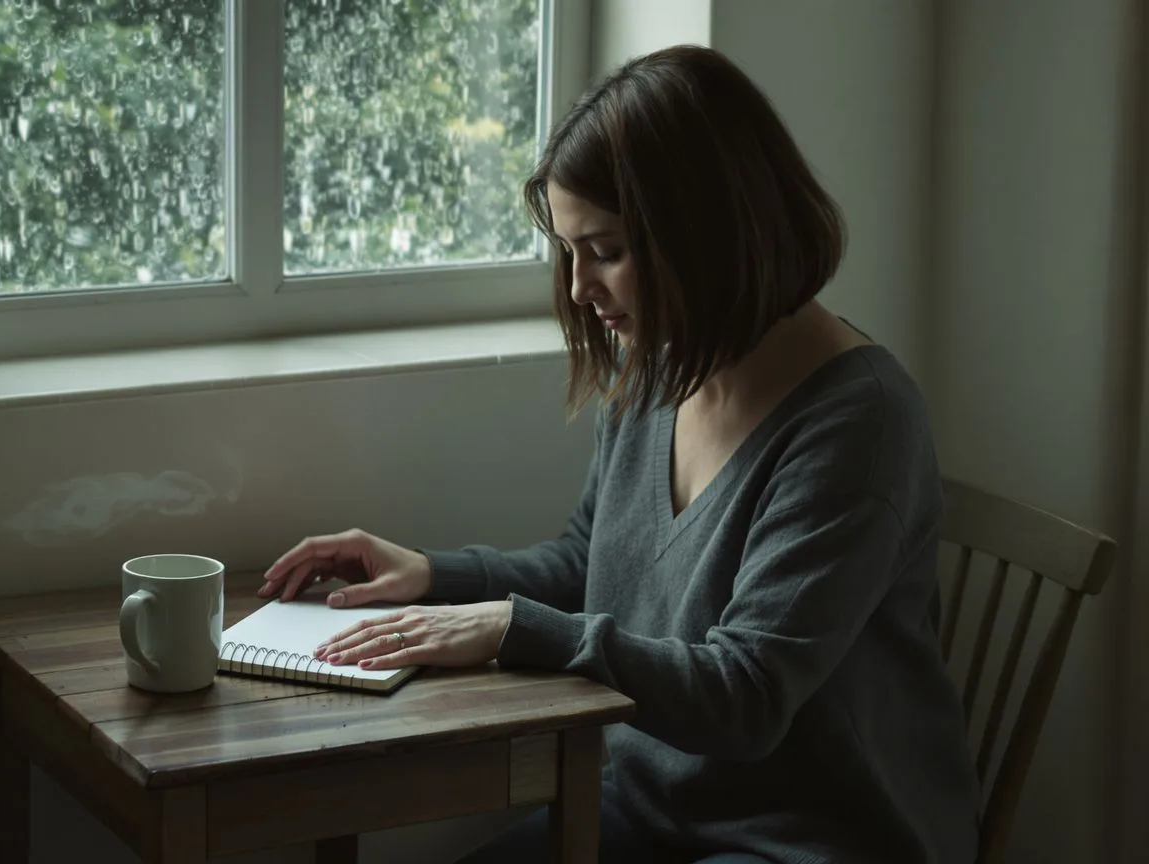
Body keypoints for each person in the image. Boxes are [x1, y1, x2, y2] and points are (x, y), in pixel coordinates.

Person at [259, 45, 981, 864]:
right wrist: (433, 576)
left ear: (706, 231)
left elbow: (744, 697)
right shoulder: (665, 367)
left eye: (603, 251)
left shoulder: (859, 426)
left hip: (812, 841)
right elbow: (588, 562)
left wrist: (513, 629)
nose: (577, 290)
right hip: (648, 811)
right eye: (569, 252)